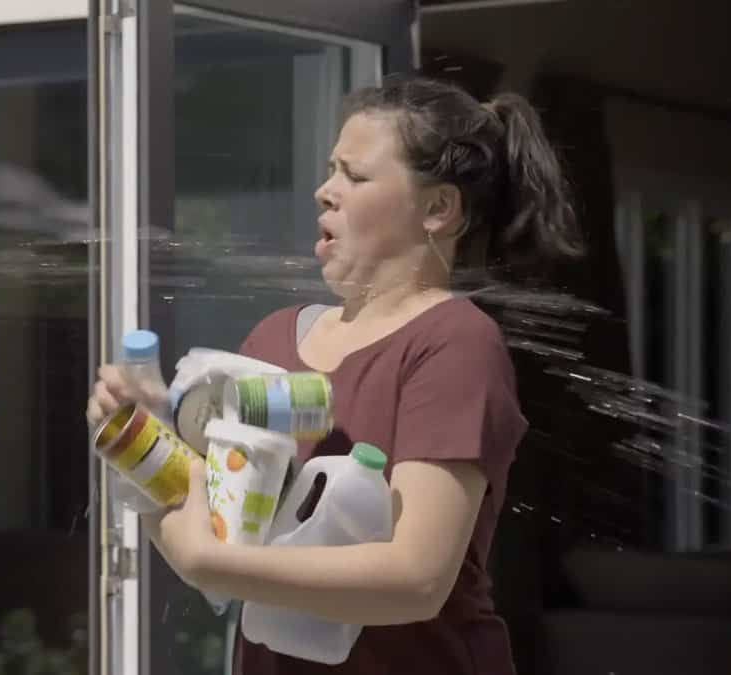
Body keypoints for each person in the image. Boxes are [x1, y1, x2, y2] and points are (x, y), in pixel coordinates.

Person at [85, 74, 583, 675]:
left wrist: (206, 561)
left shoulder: (453, 344)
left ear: (438, 208)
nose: (325, 191)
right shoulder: (271, 340)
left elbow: (417, 577)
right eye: (329, 171)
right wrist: (146, 443)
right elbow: (221, 541)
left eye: (356, 175)